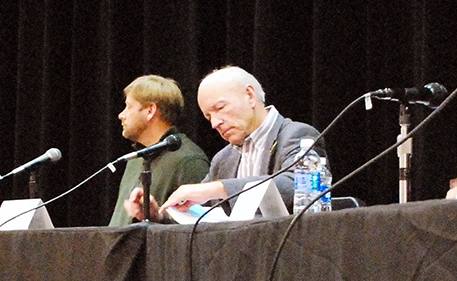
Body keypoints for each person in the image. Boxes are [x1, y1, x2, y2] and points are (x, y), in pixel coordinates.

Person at [126, 66, 324, 221]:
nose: (214, 123)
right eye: (208, 116)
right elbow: (197, 211)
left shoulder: (297, 135)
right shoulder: (224, 159)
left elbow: (298, 186)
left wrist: (216, 188)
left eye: (220, 108)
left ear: (249, 95)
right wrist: (159, 215)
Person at [109, 75, 210, 226]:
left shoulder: (189, 160)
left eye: (129, 107)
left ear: (150, 110)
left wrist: (159, 218)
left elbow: (200, 229)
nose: (121, 115)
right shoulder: (137, 159)